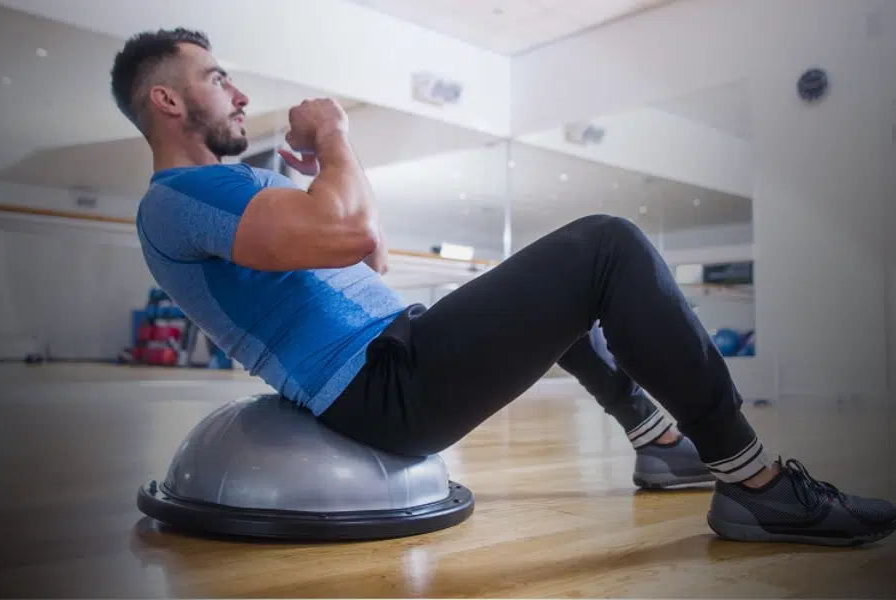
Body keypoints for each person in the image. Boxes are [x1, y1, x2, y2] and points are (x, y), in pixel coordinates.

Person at [111, 28, 895, 547]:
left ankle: (661, 445)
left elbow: (370, 249)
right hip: (383, 383)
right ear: (169, 100)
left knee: (561, 286)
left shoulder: (226, 191)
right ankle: (754, 481)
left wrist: (322, 174)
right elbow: (352, 234)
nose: (240, 95)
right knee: (608, 247)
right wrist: (336, 136)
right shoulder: (180, 198)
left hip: (397, 354)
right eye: (218, 80)